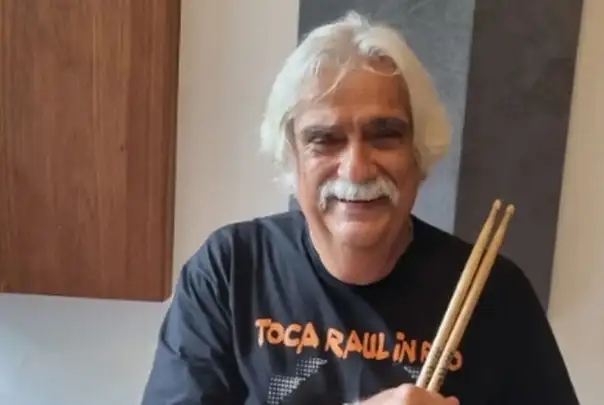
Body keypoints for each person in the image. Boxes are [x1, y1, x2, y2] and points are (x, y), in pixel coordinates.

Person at [141, 11, 579, 405]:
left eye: (385, 135)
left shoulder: (495, 294)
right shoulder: (231, 270)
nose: (356, 168)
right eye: (325, 139)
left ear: (418, 154)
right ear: (292, 158)